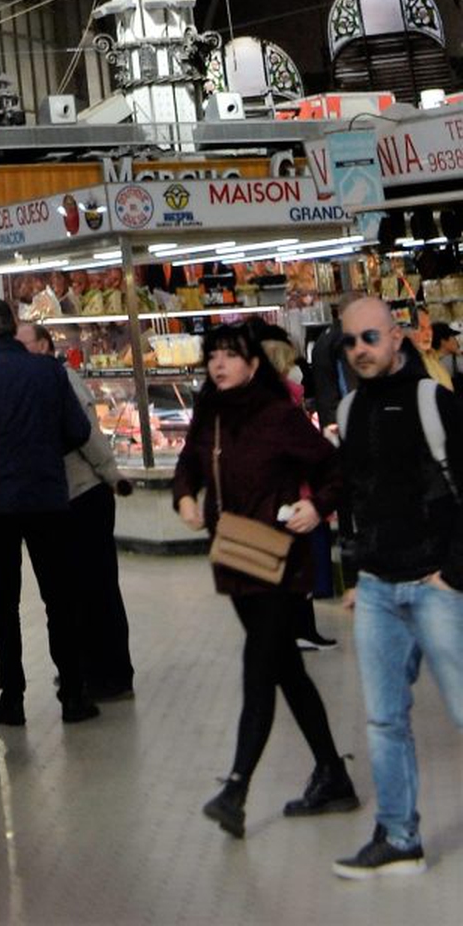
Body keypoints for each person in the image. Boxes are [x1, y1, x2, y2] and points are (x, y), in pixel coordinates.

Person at [170, 317, 353, 841]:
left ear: (253, 363)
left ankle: (236, 788)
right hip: (233, 558)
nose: (219, 365)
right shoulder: (211, 415)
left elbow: (334, 471)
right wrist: (184, 494)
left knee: (259, 667)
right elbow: (189, 464)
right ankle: (333, 773)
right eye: (212, 357)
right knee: (287, 670)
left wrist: (316, 509)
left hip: (279, 561)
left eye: (230, 355)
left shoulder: (278, 416)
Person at [328, 293, 463, 877]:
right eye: (350, 341)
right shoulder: (351, 411)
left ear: (397, 338)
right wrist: (357, 573)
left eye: (370, 338)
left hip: (438, 586)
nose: (360, 349)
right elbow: (358, 500)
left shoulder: (435, 402)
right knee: (384, 721)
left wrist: (455, 574)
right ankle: (399, 837)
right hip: (380, 588)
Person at [0, 296, 95, 726]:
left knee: (4, 604)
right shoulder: (49, 371)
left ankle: (13, 698)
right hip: (48, 498)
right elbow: (78, 430)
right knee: (60, 598)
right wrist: (42, 452)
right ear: (15, 324)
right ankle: (74, 694)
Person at [29, 323, 134, 701]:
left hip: (85, 493)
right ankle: (89, 667)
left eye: (24, 344)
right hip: (63, 496)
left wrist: (111, 475)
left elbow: (88, 434)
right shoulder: (41, 381)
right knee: (77, 590)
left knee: (97, 587)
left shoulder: (64, 379)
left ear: (43, 345)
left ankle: (113, 674)